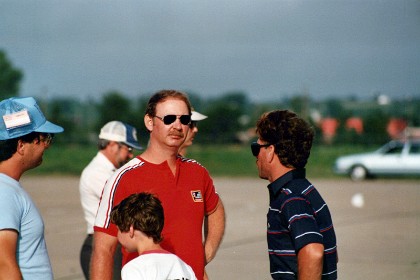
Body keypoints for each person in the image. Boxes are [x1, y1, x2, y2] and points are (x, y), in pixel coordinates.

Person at [91, 90, 225, 280]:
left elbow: (215, 209)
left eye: (184, 120)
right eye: (169, 119)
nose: (178, 126)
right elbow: (104, 249)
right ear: (150, 122)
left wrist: (206, 252)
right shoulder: (123, 178)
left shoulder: (198, 173)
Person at [252, 109, 338, 280]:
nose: (256, 156)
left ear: (270, 151)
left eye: (256, 148)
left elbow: (313, 252)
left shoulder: (291, 198)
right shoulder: (305, 190)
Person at [0, 96, 64, 279]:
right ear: (21, 145)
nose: (46, 145)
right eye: (43, 138)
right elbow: (3, 264)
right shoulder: (4, 192)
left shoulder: (8, 188)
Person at [79, 121, 142, 280]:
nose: (131, 155)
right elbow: (129, 206)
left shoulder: (111, 172)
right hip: (101, 244)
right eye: (128, 148)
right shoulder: (96, 173)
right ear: (113, 145)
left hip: (115, 245)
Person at [110, 192, 197, 280]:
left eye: (118, 229)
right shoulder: (184, 267)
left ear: (131, 230)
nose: (117, 235)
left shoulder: (134, 269)